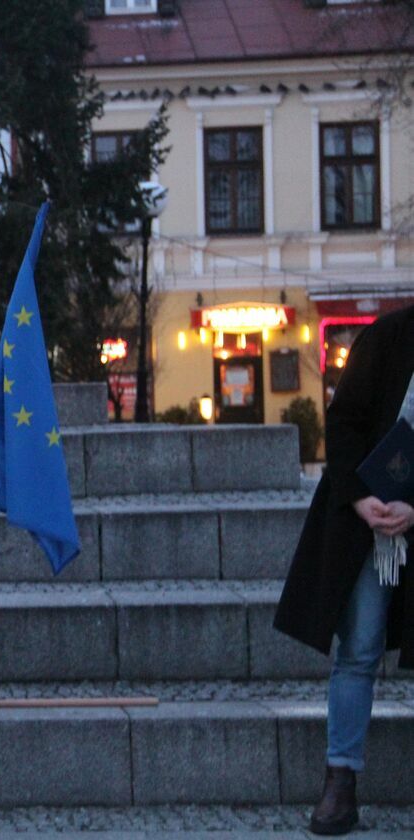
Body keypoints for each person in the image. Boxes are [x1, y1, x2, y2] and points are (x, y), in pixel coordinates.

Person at [275, 303, 414, 836]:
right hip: (368, 518)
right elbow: (346, 419)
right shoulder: (386, 337)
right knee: (358, 649)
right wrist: (362, 498)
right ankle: (341, 782)